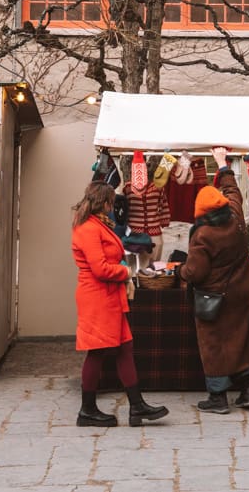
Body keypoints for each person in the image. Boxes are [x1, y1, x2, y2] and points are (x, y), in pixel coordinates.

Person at [71, 181, 169, 427]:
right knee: (96, 352)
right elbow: (100, 268)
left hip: (108, 297)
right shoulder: (88, 229)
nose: (112, 208)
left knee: (125, 348)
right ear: (102, 202)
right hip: (98, 297)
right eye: (110, 203)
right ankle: (87, 410)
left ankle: (137, 407)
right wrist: (125, 271)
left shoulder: (96, 224)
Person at [180, 147, 249, 414]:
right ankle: (248, 393)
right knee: (244, 339)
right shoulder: (235, 218)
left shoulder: (203, 234)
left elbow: (196, 272)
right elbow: (233, 192)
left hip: (214, 299)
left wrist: (180, 270)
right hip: (242, 293)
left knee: (214, 345)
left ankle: (218, 397)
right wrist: (222, 165)